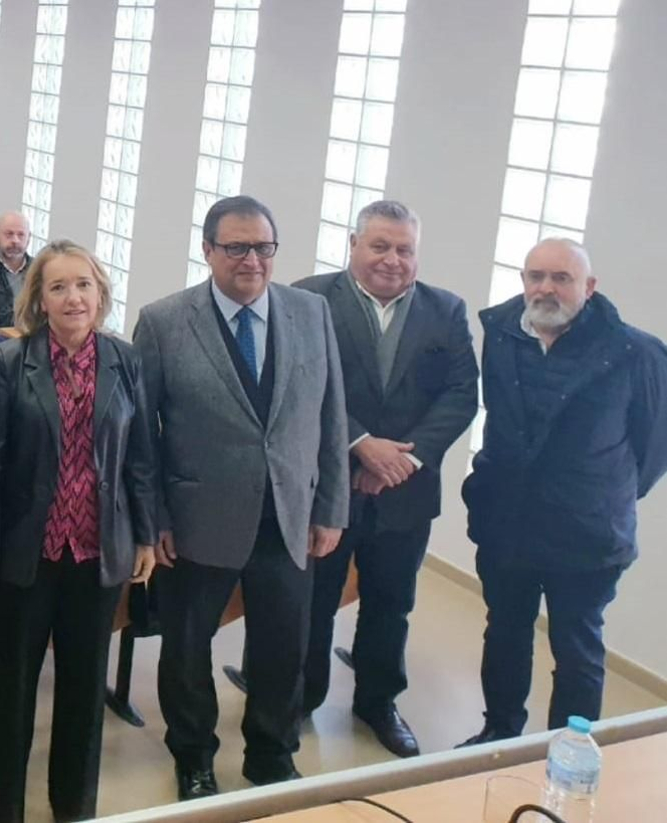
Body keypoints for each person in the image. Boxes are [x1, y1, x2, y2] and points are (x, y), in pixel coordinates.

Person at [131, 195, 349, 800]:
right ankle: (194, 755)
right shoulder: (165, 320)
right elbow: (140, 434)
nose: (252, 259)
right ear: (208, 251)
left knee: (284, 647)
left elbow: (332, 415)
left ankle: (272, 756)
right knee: (186, 649)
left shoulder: (310, 313)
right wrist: (155, 517)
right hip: (196, 521)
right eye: (236, 247)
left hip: (288, 516)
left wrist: (331, 506)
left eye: (263, 247)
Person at [0, 241, 159, 822]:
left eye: (83, 285)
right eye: (58, 287)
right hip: (28, 550)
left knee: (82, 689)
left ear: (100, 292)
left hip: (98, 549)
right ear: (39, 299)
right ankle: (1, 807)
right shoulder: (11, 362)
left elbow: (141, 458)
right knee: (12, 688)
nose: (73, 297)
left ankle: (73, 805)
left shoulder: (124, 360)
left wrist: (146, 535)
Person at [460, 238, 667, 746]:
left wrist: (603, 493)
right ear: (524, 280)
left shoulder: (635, 352)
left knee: (577, 647)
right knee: (505, 632)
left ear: (589, 288)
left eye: (562, 278)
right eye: (536, 276)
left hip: (588, 535)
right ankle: (500, 732)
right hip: (507, 522)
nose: (546, 288)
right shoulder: (502, 333)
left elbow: (655, 444)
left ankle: (566, 748)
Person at [292, 201, 479, 758]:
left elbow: (460, 394)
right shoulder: (309, 299)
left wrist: (404, 459)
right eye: (379, 246)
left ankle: (377, 702)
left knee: (391, 602)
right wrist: (360, 445)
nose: (392, 259)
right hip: (329, 484)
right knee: (315, 599)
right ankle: (300, 698)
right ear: (353, 244)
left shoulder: (446, 310)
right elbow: (302, 385)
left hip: (406, 491)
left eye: (404, 249)